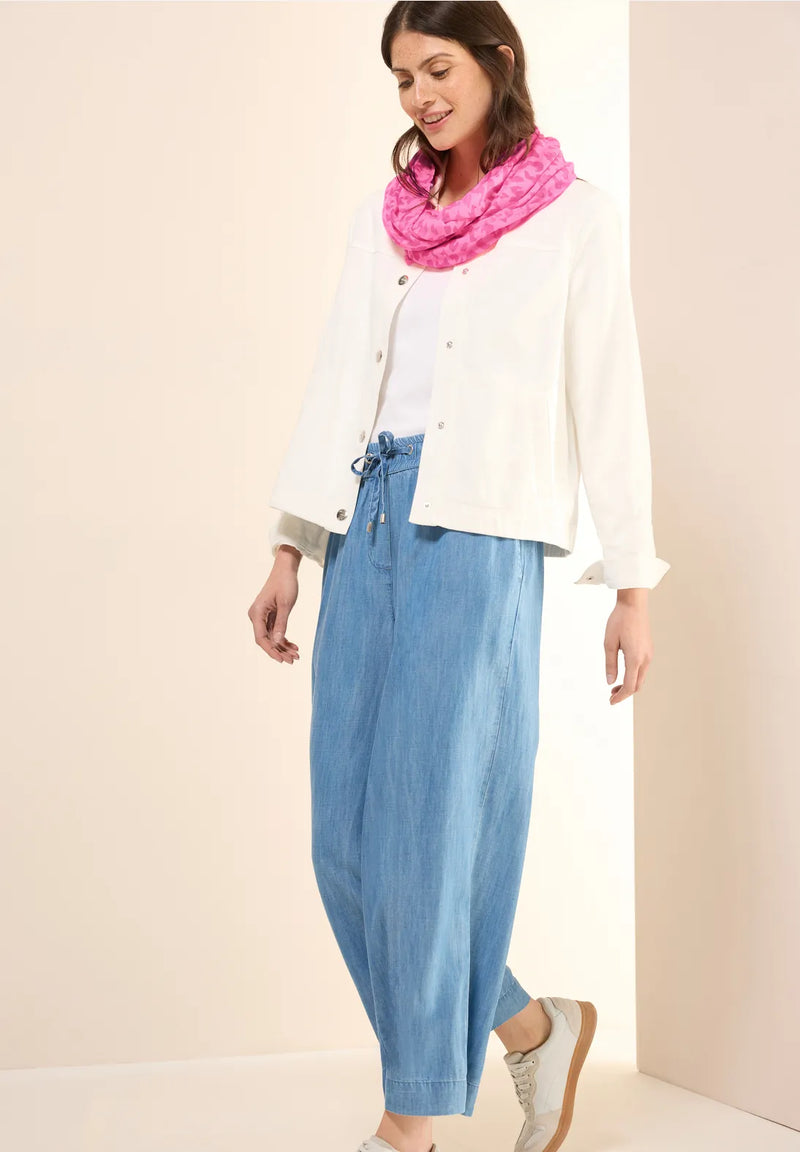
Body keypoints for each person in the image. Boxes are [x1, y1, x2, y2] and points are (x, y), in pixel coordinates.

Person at [248, 5, 670, 1152]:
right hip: (366, 515)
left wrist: (630, 585)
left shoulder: (572, 219)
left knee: (426, 834)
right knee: (346, 844)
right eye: (401, 78)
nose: (419, 96)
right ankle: (533, 1029)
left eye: (435, 68)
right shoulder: (384, 219)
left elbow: (608, 397)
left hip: (479, 532)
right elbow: (339, 375)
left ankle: (411, 1121)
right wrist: (290, 543)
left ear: (496, 62)